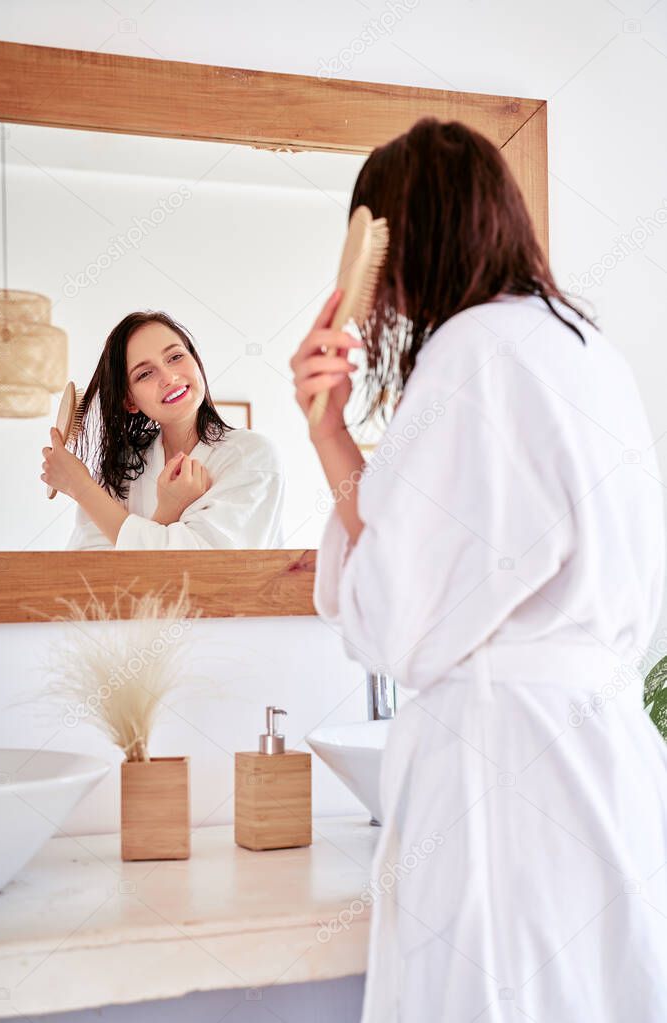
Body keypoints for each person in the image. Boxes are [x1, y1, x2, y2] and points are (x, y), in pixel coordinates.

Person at [290, 118, 667, 1021]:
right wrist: (332, 432)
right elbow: (438, 560)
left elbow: (395, 621)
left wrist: (331, 429)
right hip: (608, 772)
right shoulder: (588, 352)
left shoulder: (470, 356)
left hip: (501, 781)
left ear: (401, 239)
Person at [41, 310, 284, 549]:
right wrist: (167, 512)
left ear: (195, 361)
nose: (168, 377)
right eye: (145, 373)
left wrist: (81, 488)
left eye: (175, 357)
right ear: (130, 401)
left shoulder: (252, 456)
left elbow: (203, 568)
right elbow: (92, 574)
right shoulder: (120, 471)